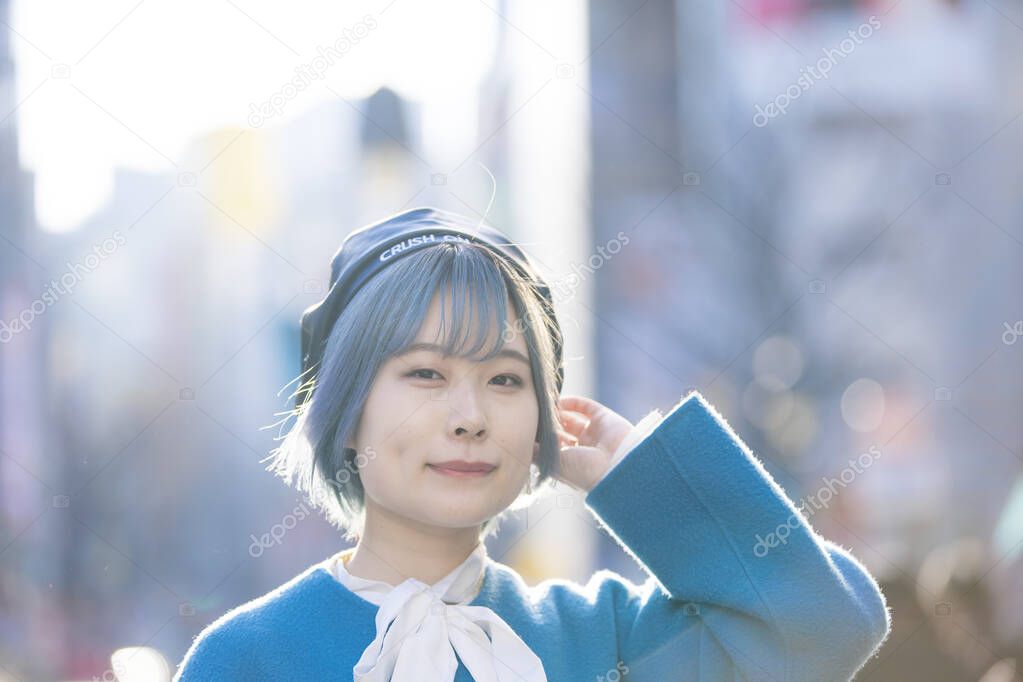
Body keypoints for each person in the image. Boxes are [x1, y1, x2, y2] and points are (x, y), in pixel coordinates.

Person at [174, 207, 891, 681]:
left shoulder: (607, 641)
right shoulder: (247, 659)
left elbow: (823, 626)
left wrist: (648, 480)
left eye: (506, 380)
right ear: (347, 406)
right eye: (425, 373)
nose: (470, 416)